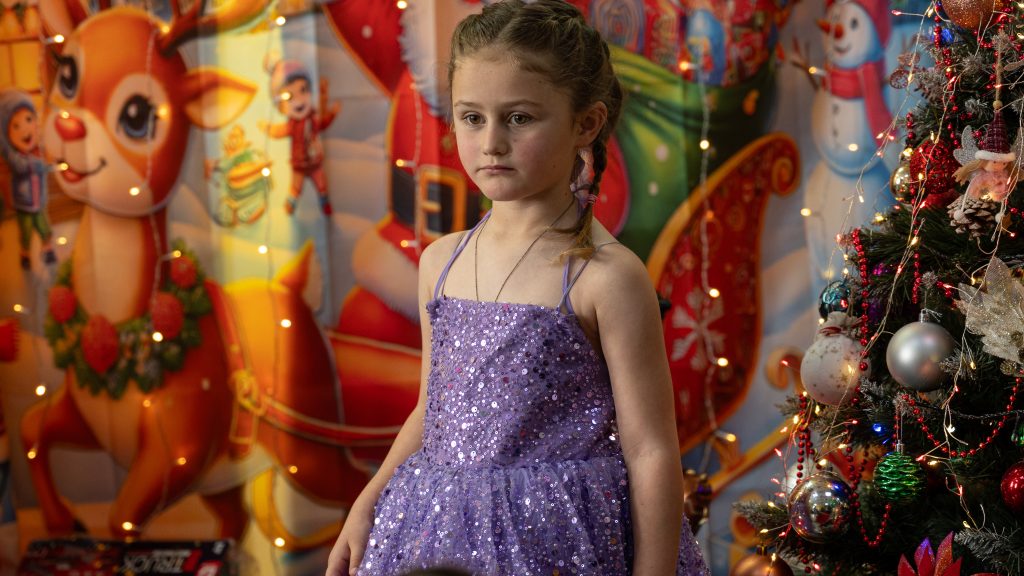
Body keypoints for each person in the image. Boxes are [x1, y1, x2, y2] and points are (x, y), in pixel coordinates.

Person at [326, 2, 708, 575]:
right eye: (471, 117)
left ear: (586, 124)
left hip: (562, 543)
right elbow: (432, 409)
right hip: (434, 529)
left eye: (520, 118)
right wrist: (367, 504)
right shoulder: (440, 262)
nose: (491, 143)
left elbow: (650, 451)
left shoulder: (605, 276)